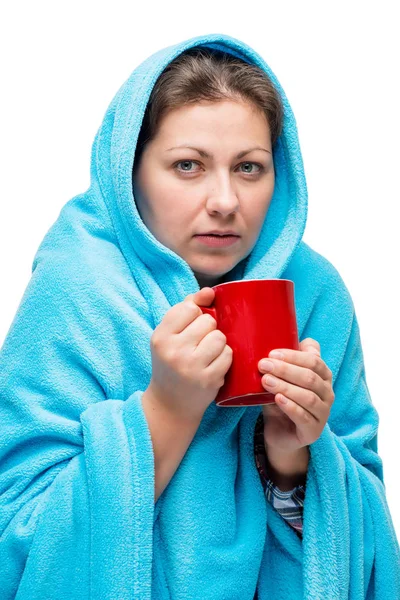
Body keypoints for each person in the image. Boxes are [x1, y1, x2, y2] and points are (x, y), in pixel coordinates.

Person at [0, 32, 399, 600]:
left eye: (250, 168)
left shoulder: (313, 295)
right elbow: (16, 542)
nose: (225, 200)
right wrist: (167, 410)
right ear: (129, 170)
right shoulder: (77, 288)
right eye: (188, 165)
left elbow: (373, 543)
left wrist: (293, 456)